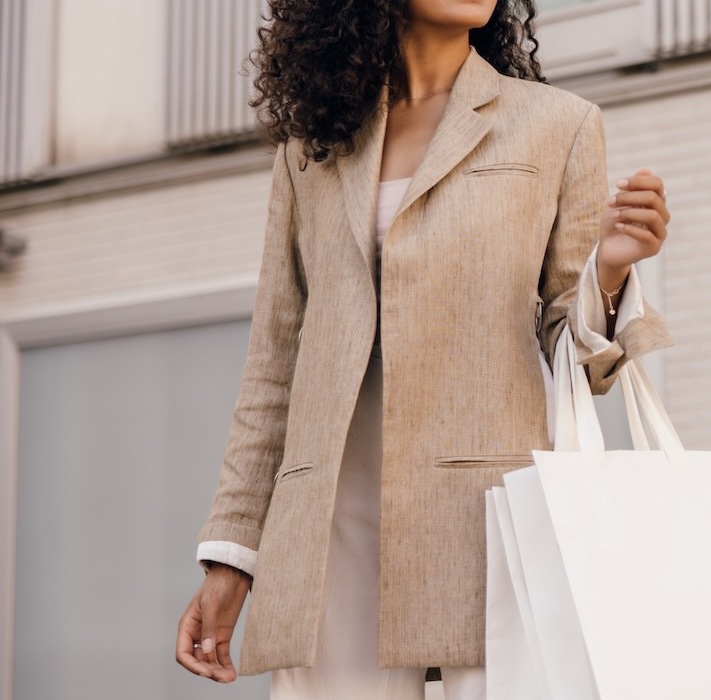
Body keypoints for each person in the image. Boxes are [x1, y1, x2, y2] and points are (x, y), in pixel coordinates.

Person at [171, 0, 677, 697]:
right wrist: (231, 557)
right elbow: (275, 364)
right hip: (328, 529)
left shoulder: (557, 126)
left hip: (481, 522)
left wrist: (612, 268)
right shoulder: (312, 149)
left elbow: (580, 353)